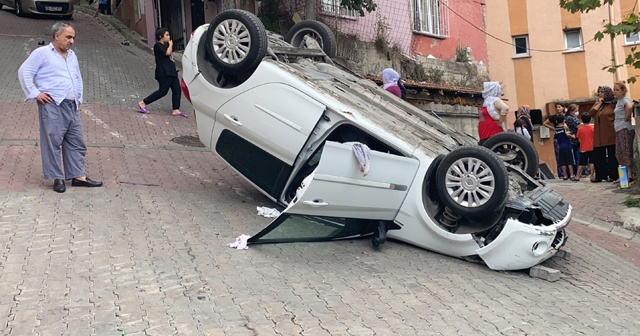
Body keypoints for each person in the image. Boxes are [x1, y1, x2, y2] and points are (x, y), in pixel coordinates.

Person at [18, 22, 103, 193]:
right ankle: (57, 177)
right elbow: (24, 71)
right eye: (68, 37)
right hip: (52, 104)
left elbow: (77, 76)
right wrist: (35, 93)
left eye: (73, 38)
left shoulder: (72, 55)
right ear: (57, 36)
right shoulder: (42, 53)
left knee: (77, 141)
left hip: (72, 105)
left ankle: (78, 176)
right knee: (53, 142)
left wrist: (79, 97)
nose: (71, 41)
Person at [136, 28, 186, 117]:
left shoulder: (163, 45)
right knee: (163, 91)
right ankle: (142, 103)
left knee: (177, 90)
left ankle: (176, 109)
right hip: (164, 72)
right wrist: (171, 45)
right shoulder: (158, 45)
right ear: (160, 36)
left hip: (171, 72)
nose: (169, 37)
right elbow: (167, 53)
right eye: (167, 35)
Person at [588, 86, 618, 183]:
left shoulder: (614, 103)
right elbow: (591, 114)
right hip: (598, 134)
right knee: (598, 155)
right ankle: (600, 176)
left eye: (602, 92)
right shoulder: (598, 103)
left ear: (607, 93)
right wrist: (599, 103)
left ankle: (614, 175)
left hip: (610, 132)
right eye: (599, 92)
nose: (600, 94)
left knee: (611, 155)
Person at [613, 81, 636, 182]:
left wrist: (627, 117)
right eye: (614, 90)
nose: (615, 92)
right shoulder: (618, 101)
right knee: (619, 152)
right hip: (618, 128)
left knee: (626, 150)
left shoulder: (625, 99)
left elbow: (629, 106)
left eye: (617, 90)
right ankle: (624, 174)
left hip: (624, 128)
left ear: (623, 91)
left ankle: (629, 174)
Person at [544, 114, 575, 180]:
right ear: (564, 120)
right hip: (567, 146)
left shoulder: (556, 129)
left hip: (560, 147)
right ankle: (572, 174)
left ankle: (565, 175)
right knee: (569, 161)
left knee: (562, 162)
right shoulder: (564, 128)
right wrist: (573, 136)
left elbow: (556, 138)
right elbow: (568, 135)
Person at [573, 112, 595, 181]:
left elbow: (579, 139)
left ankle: (577, 176)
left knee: (581, 163)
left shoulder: (580, 129)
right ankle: (592, 176)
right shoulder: (593, 128)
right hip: (592, 146)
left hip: (583, 147)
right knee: (592, 162)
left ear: (582, 120)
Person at [565, 103, 581, 176]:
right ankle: (576, 172)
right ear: (571, 111)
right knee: (575, 157)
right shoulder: (570, 118)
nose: (577, 112)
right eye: (575, 111)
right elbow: (579, 126)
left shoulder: (573, 117)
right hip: (572, 140)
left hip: (575, 140)